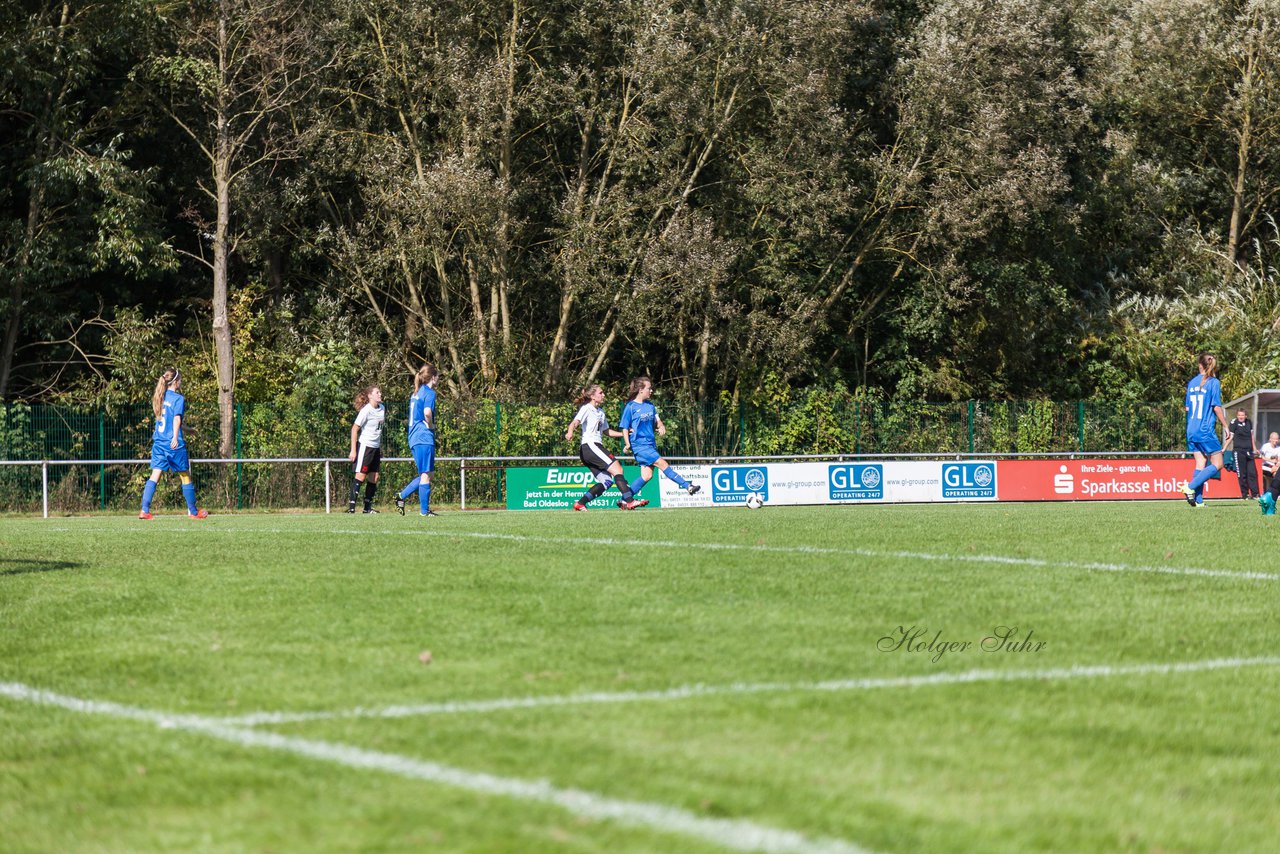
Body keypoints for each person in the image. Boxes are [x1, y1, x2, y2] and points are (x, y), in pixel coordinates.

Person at [618, 376, 701, 506]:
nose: (651, 391)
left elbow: (658, 420)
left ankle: (624, 499)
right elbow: (624, 427)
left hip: (650, 444)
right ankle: (688, 486)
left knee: (647, 476)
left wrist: (661, 426)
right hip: (639, 445)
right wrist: (627, 443)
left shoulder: (650, 405)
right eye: (649, 388)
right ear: (640, 390)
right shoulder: (630, 407)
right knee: (663, 464)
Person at [139, 367, 208, 519]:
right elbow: (176, 419)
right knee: (185, 475)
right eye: (181, 380)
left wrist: (188, 429)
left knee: (155, 474)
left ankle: (145, 510)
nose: (181, 382)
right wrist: (176, 438)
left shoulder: (161, 397)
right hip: (172, 443)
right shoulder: (178, 398)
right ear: (175, 381)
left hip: (159, 442)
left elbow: (170, 420)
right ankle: (194, 512)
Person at [564, 384, 641, 511]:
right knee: (618, 469)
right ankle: (629, 501)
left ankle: (580, 503)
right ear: (593, 396)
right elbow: (575, 422)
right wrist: (570, 431)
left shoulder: (601, 412)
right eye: (601, 393)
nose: (603, 395)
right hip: (590, 446)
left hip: (590, 450)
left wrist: (624, 433)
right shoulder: (586, 408)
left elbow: (607, 432)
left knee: (606, 481)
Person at [1179, 353, 1230, 508]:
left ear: (1199, 365)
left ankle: (1198, 501)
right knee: (1218, 463)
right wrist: (1225, 426)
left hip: (1191, 429)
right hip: (1205, 430)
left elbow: (1188, 408)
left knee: (1200, 462)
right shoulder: (1213, 382)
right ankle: (1190, 487)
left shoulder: (1191, 382)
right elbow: (1216, 407)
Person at [395, 365, 441, 517]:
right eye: (438, 376)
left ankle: (401, 496)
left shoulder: (416, 392)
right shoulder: (429, 392)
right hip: (423, 437)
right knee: (426, 475)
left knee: (428, 474)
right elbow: (427, 412)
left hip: (414, 437)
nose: (439, 378)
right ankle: (424, 511)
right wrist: (430, 424)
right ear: (433, 377)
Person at [347, 385, 386, 513]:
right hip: (365, 446)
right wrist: (353, 450)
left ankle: (367, 508)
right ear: (370, 396)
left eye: (380, 392)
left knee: (374, 477)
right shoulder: (366, 410)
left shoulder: (382, 408)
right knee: (361, 476)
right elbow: (354, 429)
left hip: (376, 448)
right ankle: (351, 508)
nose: (380, 394)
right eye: (377, 392)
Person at [1226, 408, 1258, 499]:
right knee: (1242, 474)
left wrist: (1254, 448)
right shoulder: (1233, 423)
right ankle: (1245, 494)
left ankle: (1255, 494)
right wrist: (1224, 448)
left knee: (1252, 473)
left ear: (1245, 416)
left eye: (1242, 415)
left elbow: (1251, 436)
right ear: (1237, 416)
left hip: (1249, 451)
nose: (1241, 417)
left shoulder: (1249, 422)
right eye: (1239, 415)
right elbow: (1231, 436)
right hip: (1238, 451)